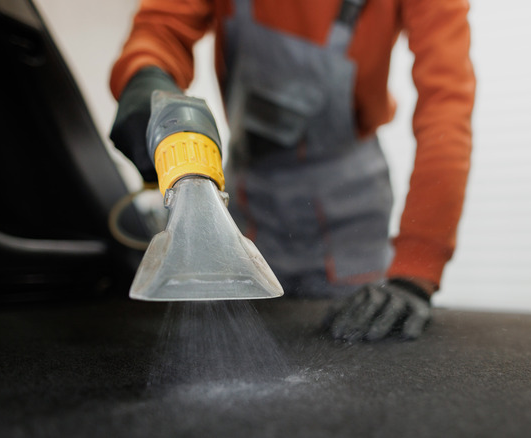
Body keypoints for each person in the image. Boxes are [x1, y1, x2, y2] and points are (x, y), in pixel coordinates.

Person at [110, 0, 475, 341]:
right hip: (248, 206)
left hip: (350, 215)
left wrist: (417, 264)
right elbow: (162, 28)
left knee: (362, 359)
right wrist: (146, 74)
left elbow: (446, 107)